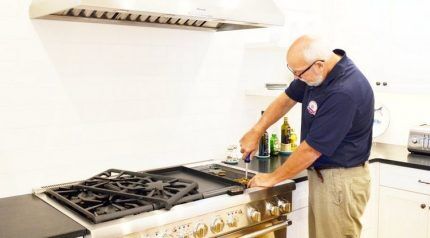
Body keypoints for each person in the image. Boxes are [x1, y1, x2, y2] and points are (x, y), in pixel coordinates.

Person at [240, 35, 374, 238]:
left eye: (299, 74)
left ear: (319, 65)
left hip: (341, 180)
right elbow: (287, 99)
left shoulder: (343, 92)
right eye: (292, 72)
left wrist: (272, 178)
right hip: (324, 175)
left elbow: (311, 149)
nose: (297, 79)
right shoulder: (318, 71)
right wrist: (257, 130)